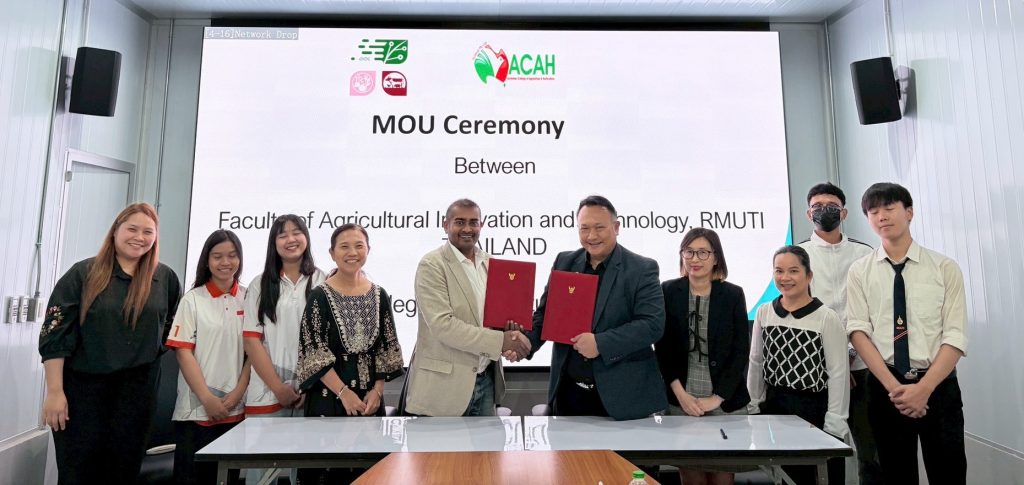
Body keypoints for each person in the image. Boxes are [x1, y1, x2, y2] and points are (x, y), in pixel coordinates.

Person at [39, 202, 182, 485]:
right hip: (82, 396)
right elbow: (54, 335)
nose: (139, 237)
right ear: (116, 230)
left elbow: (172, 325)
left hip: (137, 397)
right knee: (78, 474)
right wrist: (54, 392)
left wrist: (151, 348)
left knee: (123, 474)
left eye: (148, 232)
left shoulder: (164, 278)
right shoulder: (83, 274)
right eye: (132, 229)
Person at [846, 183, 968, 484]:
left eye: (889, 208)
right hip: (886, 388)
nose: (882, 216)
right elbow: (858, 331)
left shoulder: (944, 268)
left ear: (909, 212)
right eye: (873, 211)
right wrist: (896, 390)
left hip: (938, 386)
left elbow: (955, 336)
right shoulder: (860, 271)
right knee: (894, 476)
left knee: (949, 474)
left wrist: (924, 388)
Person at [526, 195, 667, 420]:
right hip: (568, 395)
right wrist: (526, 342)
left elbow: (652, 325)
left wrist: (600, 343)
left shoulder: (641, 268)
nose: (591, 236)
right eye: (584, 228)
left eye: (599, 227)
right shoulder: (564, 262)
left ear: (616, 227)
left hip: (623, 398)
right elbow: (546, 314)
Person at [294, 224, 404, 484]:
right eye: (344, 246)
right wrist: (344, 393)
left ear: (368, 250)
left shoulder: (380, 295)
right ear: (332, 253)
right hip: (329, 400)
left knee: (370, 475)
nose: (352, 252)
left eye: (359, 246)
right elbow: (314, 353)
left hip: (369, 403)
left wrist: (377, 392)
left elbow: (386, 348)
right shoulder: (319, 296)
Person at [403, 199, 530, 417]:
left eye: (474, 222)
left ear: (482, 225)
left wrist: (511, 332)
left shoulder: (491, 264)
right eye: (460, 222)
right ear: (446, 225)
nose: (467, 229)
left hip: (486, 381)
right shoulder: (432, 265)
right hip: (443, 389)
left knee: (487, 442)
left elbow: (493, 320)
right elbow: (443, 326)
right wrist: (501, 341)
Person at [797, 182, 878, 484]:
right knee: (824, 452)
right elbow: (798, 314)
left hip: (863, 366)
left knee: (871, 452)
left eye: (831, 206)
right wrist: (834, 360)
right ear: (808, 214)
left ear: (844, 213)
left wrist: (851, 354)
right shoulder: (798, 256)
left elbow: (875, 310)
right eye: (817, 206)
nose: (824, 211)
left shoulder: (865, 253)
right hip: (817, 370)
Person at [654, 228, 749, 485]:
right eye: (689, 252)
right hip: (682, 400)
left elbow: (740, 351)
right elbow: (662, 348)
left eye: (703, 253)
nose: (695, 259)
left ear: (716, 257)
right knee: (691, 476)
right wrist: (680, 394)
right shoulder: (668, 291)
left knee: (722, 476)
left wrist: (716, 399)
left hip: (724, 401)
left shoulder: (733, 294)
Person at [748, 246, 848, 485]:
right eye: (779, 271)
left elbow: (838, 373)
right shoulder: (764, 312)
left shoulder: (826, 317)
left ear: (809, 275)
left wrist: (835, 422)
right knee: (784, 477)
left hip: (814, 411)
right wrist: (754, 405)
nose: (785, 278)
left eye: (793, 271)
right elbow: (756, 362)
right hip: (775, 409)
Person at [242, 215, 325, 484]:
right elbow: (252, 341)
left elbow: (326, 343)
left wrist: (306, 384)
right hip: (267, 392)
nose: (291, 239)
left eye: (296, 232)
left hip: (310, 392)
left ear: (306, 237)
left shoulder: (323, 280)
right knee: (261, 474)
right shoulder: (259, 284)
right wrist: (278, 388)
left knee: (304, 472)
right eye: (282, 234)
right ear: (273, 242)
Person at [166, 230, 250, 485]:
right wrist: (207, 398)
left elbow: (254, 353)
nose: (226, 262)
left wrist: (237, 394)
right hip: (196, 412)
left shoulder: (249, 297)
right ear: (206, 260)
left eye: (232, 255)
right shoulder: (193, 299)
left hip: (236, 410)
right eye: (217, 256)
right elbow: (183, 353)